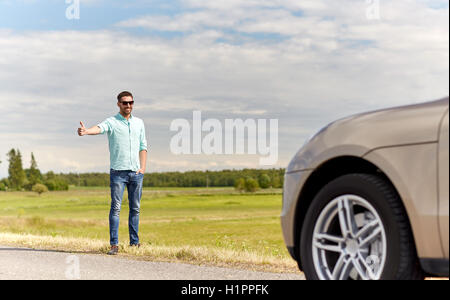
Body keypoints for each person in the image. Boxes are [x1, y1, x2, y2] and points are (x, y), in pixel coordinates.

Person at [77, 91, 148, 255]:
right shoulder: (112, 121)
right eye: (125, 103)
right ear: (118, 104)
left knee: (135, 209)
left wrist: (142, 168)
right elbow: (100, 128)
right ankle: (114, 245)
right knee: (116, 208)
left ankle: (134, 243)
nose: (128, 105)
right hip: (118, 173)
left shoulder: (139, 123)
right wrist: (86, 131)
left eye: (131, 102)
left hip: (136, 173)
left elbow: (143, 146)